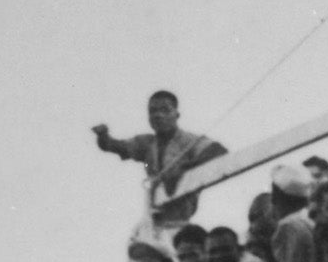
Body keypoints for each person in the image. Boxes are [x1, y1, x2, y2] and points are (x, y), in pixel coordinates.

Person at [92, 90, 228, 233]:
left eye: (165, 110)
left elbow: (219, 151)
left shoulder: (188, 141)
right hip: (155, 215)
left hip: (180, 218)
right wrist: (102, 135)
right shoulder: (147, 143)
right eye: (152, 111)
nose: (158, 115)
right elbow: (114, 146)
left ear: (176, 114)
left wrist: (186, 168)